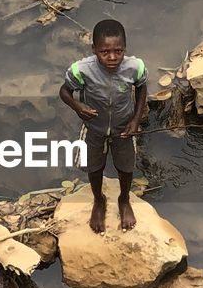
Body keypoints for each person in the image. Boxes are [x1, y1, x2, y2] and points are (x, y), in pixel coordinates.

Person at [57, 18, 148, 234]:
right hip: (94, 128)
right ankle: (99, 200)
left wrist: (136, 120)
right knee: (94, 167)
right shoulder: (82, 70)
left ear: (125, 49)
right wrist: (77, 106)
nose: (112, 57)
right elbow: (64, 92)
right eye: (105, 52)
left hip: (123, 128)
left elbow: (142, 89)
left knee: (125, 167)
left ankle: (124, 200)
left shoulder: (135, 67)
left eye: (118, 51)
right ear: (94, 50)